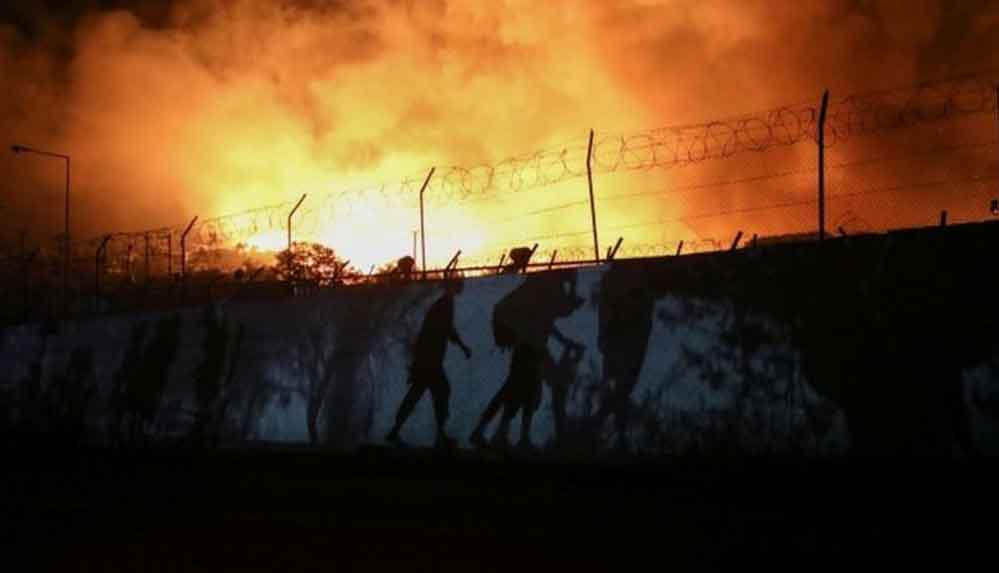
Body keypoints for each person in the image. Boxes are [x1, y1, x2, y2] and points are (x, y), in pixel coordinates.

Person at [386, 275, 472, 448]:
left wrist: (461, 345)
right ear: (452, 287)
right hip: (430, 359)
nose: (461, 287)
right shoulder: (444, 304)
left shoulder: (445, 303)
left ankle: (396, 432)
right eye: (459, 284)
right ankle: (438, 435)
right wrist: (462, 346)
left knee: (421, 394)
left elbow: (446, 329)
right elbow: (446, 329)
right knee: (438, 392)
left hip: (428, 358)